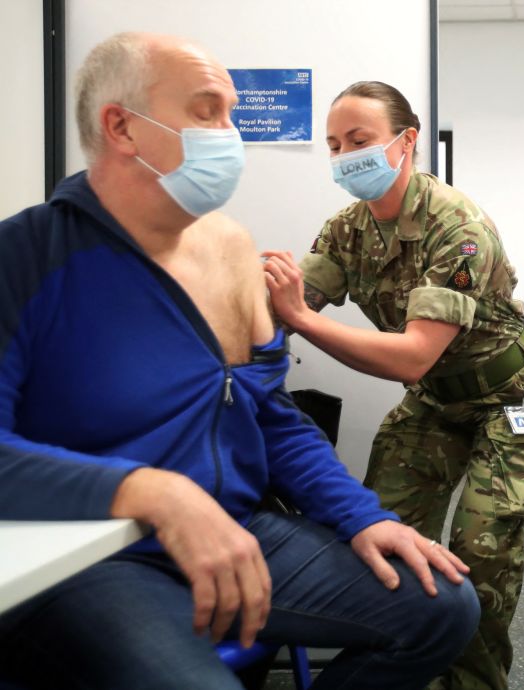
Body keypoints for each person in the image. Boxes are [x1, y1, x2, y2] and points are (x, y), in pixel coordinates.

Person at [0, 32, 480, 690]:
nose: (230, 135)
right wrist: (151, 492)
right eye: (207, 111)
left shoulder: (229, 248)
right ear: (121, 126)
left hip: (238, 527)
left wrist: (361, 516)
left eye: (231, 112)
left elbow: (269, 414)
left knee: (443, 607)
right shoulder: (25, 258)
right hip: (101, 553)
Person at [263, 81, 524, 690]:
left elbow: (411, 358)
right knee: (387, 539)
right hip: (436, 405)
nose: (346, 156)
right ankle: (410, 668)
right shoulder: (348, 229)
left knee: (480, 549)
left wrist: (300, 318)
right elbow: (290, 301)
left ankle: (476, 684)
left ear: (407, 141)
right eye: (335, 145)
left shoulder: (458, 225)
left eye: (360, 141)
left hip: (511, 403)